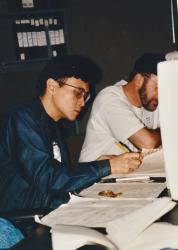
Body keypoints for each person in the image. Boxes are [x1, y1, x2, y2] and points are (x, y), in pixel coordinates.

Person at [0, 55, 141, 213]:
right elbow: (48, 178)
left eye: (86, 96)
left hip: (48, 208)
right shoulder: (22, 119)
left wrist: (95, 165)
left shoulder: (53, 124)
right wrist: (105, 167)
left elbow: (59, 173)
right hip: (24, 221)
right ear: (52, 86)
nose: (82, 102)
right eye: (78, 93)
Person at [79, 53, 165, 162]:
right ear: (139, 80)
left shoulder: (150, 101)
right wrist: (166, 132)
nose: (161, 94)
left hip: (129, 174)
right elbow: (148, 143)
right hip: (97, 176)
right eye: (158, 86)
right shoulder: (109, 99)